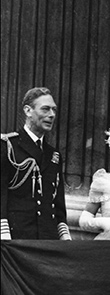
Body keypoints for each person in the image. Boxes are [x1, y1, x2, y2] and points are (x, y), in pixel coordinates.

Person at [1, 87, 71, 240]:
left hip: (48, 239)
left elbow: (58, 203)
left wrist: (64, 235)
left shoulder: (54, 154)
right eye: (45, 109)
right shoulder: (7, 146)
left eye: (54, 110)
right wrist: (4, 234)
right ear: (28, 111)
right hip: (16, 238)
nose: (51, 115)